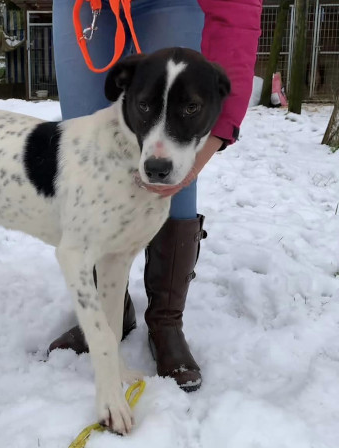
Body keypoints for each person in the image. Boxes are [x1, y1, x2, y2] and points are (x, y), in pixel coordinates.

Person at [49, 0, 263, 392]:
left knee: (175, 151)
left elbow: (236, 17)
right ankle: (108, 310)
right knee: (89, 158)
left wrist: (209, 142)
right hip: (86, 5)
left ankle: (165, 321)